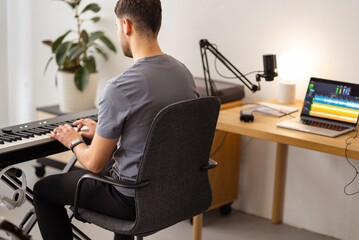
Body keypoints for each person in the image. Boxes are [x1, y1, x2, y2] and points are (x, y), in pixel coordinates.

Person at [32, 0, 199, 239]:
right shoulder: (183, 74)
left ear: (126, 25)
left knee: (43, 189)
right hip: (171, 193)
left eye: (118, 28)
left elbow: (95, 164)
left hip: (130, 198)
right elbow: (153, 134)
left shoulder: (120, 87)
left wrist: (74, 140)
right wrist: (104, 131)